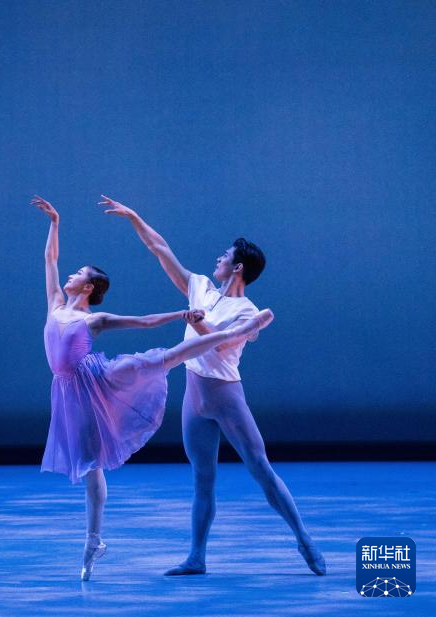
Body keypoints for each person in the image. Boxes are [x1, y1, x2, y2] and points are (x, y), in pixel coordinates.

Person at [31, 196, 273, 581]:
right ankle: (94, 541)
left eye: (78, 273)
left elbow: (143, 322)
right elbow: (50, 260)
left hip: (99, 378)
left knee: (165, 358)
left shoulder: (95, 319)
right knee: (91, 464)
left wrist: (180, 314)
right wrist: (55, 223)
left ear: (89, 286)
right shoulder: (55, 303)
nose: (69, 275)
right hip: (68, 393)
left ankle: (239, 331)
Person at [100, 194, 325, 576]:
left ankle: (304, 539)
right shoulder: (200, 287)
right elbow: (160, 249)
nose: (217, 259)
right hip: (195, 396)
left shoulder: (247, 311)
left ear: (237, 267)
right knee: (203, 479)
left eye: (224, 256)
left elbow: (220, 342)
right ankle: (196, 557)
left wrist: (198, 322)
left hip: (225, 396)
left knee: (260, 468)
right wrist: (133, 216)